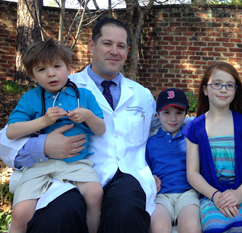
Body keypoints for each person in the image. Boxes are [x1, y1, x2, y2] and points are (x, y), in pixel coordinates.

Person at [0, 18, 158, 233]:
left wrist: (161, 172)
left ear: (127, 51)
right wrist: (44, 146)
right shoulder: (58, 83)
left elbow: (160, 133)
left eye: (120, 46)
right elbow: (6, 140)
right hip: (70, 173)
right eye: (107, 43)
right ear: (92, 46)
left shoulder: (142, 95)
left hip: (126, 175)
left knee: (126, 210)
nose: (114, 51)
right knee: (61, 213)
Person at [7, 38, 105, 233]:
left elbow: (100, 129)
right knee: (21, 212)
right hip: (40, 165)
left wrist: (88, 115)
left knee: (95, 194)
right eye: (41, 70)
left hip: (76, 163)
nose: (51, 73)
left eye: (57, 66)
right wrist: (43, 121)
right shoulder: (31, 98)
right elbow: (11, 132)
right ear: (32, 75)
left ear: (69, 68)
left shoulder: (84, 96)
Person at [183, 62, 242, 233]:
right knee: (215, 227)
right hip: (212, 197)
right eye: (217, 84)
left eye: (230, 85)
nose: (223, 89)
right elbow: (192, 173)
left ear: (235, 91)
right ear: (205, 89)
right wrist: (215, 196)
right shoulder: (195, 128)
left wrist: (239, 194)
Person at [146, 88, 201, 233]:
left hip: (187, 192)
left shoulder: (191, 138)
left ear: (185, 114)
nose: (173, 118)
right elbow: (144, 169)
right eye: (166, 112)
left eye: (179, 112)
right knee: (158, 226)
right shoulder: (150, 142)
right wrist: (150, 177)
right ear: (158, 114)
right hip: (161, 195)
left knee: (191, 225)